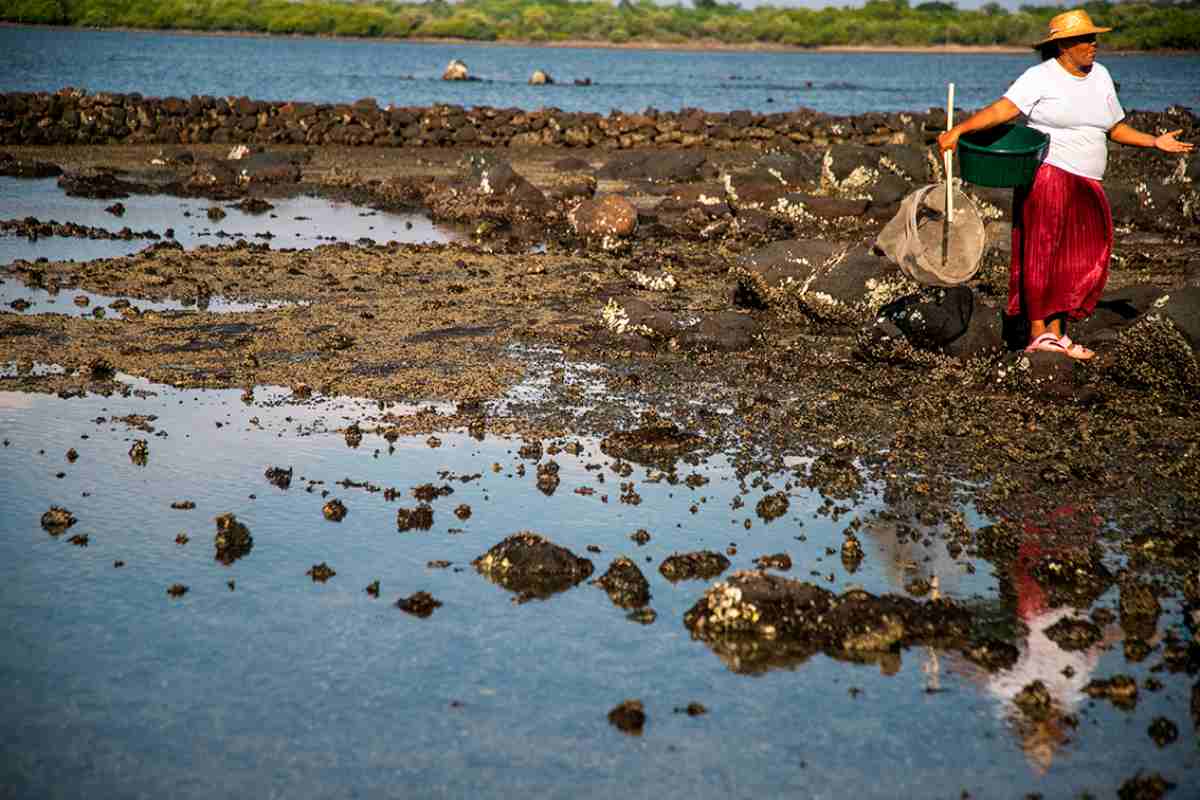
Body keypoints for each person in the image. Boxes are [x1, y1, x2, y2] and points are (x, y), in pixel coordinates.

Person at [937, 9, 1193, 360]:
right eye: (1085, 39)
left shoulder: (1100, 75)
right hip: (1049, 175)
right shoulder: (1039, 77)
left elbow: (1114, 128)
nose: (1093, 44)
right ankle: (1038, 333)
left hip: (1089, 181)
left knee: (1081, 257)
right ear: (1062, 46)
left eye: (1093, 37)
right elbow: (1003, 110)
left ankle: (1059, 334)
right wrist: (960, 130)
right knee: (1043, 253)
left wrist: (1154, 142)